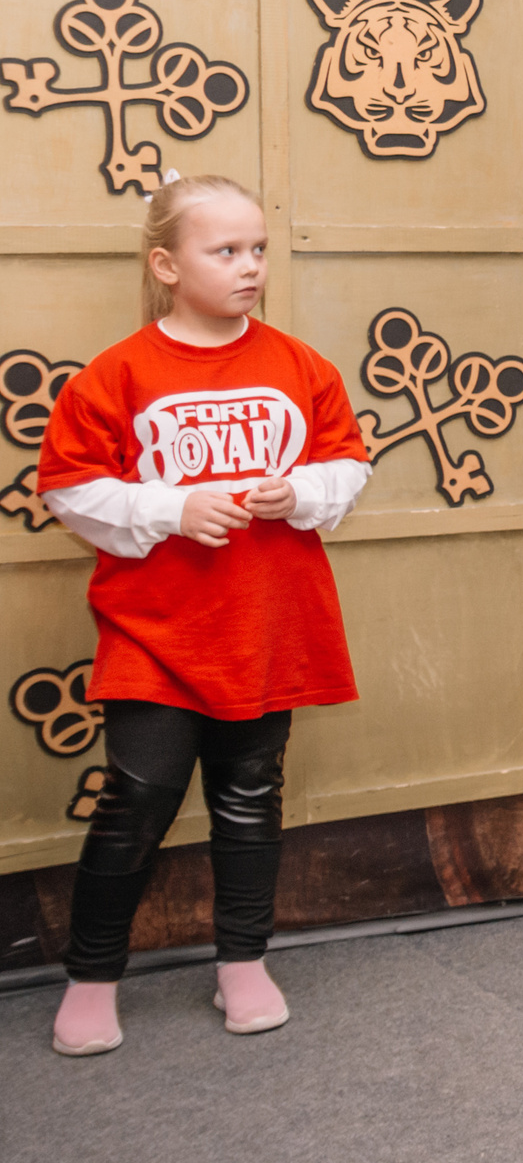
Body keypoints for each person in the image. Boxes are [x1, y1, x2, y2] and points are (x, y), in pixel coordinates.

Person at [38, 174, 373, 1056]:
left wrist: (296, 488)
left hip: (267, 627)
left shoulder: (301, 366)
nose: (250, 266)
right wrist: (170, 510)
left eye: (258, 248)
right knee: (137, 801)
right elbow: (70, 489)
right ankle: (92, 974)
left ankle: (242, 963)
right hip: (158, 634)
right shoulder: (116, 374)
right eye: (225, 251)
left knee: (250, 796)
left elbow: (348, 466)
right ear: (166, 263)